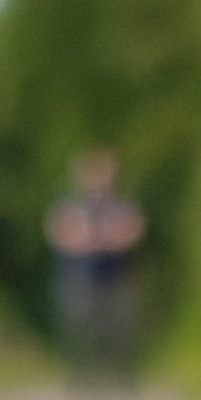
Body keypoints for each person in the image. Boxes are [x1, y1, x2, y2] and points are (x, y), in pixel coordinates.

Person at [45, 149, 146, 384]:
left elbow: (132, 232)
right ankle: (83, 379)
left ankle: (120, 378)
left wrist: (102, 239)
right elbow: (60, 234)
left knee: (118, 331)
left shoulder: (122, 205)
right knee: (80, 331)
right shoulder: (70, 205)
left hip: (117, 276)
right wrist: (96, 239)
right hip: (80, 277)